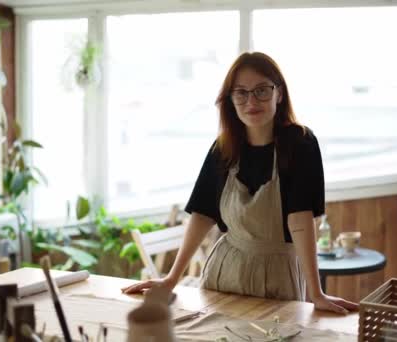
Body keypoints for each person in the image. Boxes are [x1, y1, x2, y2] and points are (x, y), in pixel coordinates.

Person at [121, 52, 358, 314]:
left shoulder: (300, 143)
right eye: (241, 93)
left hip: (278, 274)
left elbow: (299, 220)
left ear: (279, 93)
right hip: (224, 272)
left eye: (261, 91)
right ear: (231, 100)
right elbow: (202, 214)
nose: (251, 101)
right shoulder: (224, 147)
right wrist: (171, 278)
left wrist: (316, 294)